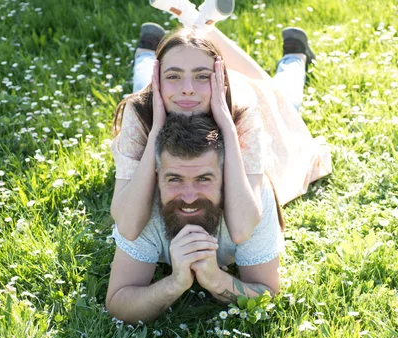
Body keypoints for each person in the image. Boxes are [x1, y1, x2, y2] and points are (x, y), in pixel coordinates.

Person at [110, 0, 331, 244]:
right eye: (172, 76)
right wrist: (156, 128)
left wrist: (227, 125)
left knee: (282, 100)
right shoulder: (143, 109)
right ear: (158, 80)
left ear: (219, 77)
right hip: (163, 98)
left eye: (202, 75)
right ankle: (202, 23)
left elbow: (242, 229)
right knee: (146, 91)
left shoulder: (242, 110)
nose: (187, 90)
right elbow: (128, 226)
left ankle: (183, 19)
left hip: (236, 101)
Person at [106, 114, 283, 324]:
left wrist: (217, 280)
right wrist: (173, 284)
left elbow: (268, 294)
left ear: (226, 176)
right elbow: (117, 302)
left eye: (203, 179)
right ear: (156, 176)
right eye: (175, 179)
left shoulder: (251, 201)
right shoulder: (142, 206)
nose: (189, 196)